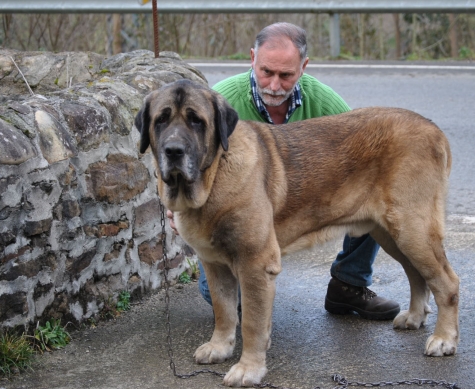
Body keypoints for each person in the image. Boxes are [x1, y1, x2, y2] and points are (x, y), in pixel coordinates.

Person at [168, 22, 399, 320]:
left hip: (300, 205)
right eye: (266, 72)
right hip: (237, 219)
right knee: (216, 295)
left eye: (286, 75)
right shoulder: (219, 103)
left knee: (369, 184)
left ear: (304, 67)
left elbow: (361, 157)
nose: (274, 85)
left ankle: (349, 283)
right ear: (252, 58)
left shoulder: (325, 102)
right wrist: (174, 210)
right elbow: (184, 159)